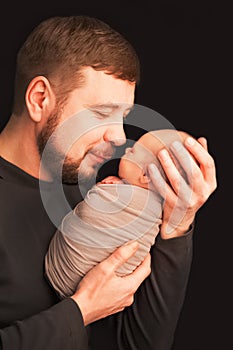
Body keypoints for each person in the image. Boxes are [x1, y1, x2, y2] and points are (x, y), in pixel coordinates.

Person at [0, 15, 217, 350]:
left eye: (124, 117)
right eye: (102, 113)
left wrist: (177, 225)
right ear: (40, 99)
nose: (119, 137)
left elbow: (140, 344)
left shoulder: (95, 195)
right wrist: (81, 311)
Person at [45, 129, 191, 299]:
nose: (127, 149)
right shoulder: (160, 208)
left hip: (65, 277)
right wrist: (122, 185)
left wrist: (107, 189)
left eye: (134, 151)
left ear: (145, 175)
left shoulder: (131, 202)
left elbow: (95, 204)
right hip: (101, 300)